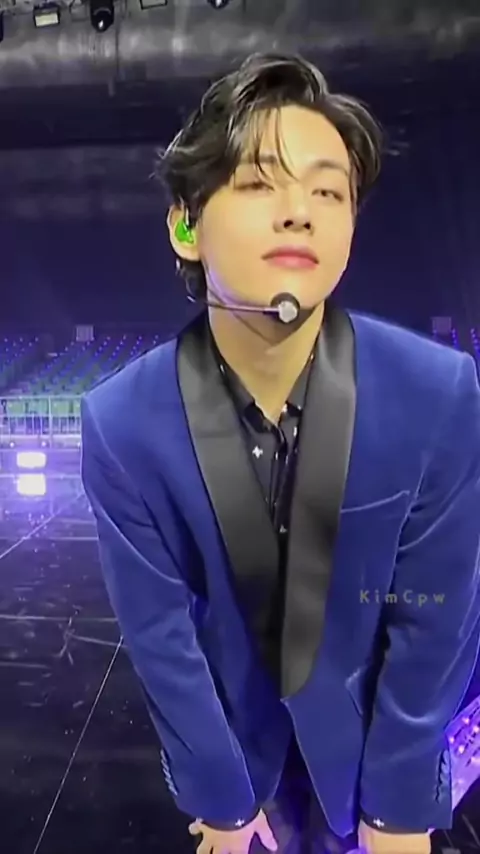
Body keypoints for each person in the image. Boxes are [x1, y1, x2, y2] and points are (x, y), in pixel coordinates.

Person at [80, 52, 480, 854]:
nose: (299, 212)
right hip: (241, 761)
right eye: (260, 183)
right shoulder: (120, 422)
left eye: (328, 192)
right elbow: (162, 638)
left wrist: (399, 810)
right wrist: (222, 800)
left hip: (381, 756)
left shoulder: (437, 392)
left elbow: (436, 618)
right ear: (186, 226)